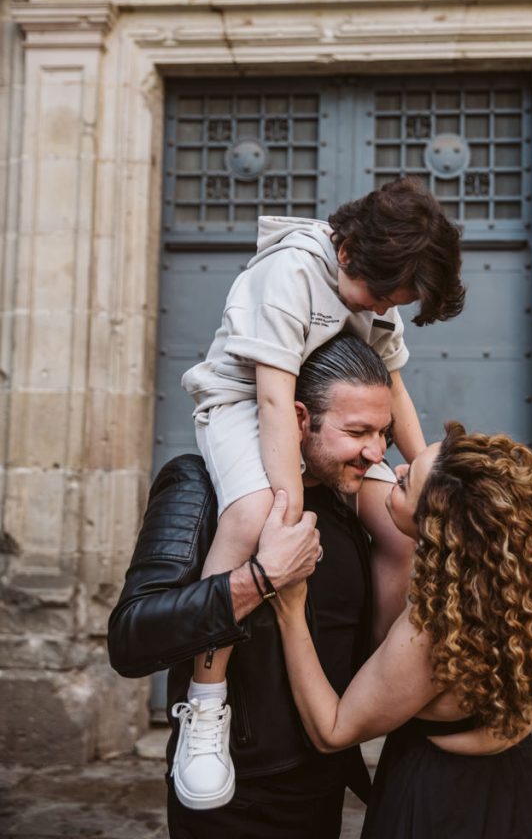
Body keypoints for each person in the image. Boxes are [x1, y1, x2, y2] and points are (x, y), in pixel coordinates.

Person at [176, 176, 465, 807]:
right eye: (382, 294)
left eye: (397, 300)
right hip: (242, 403)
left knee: (397, 524)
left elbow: (395, 389)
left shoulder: (378, 291)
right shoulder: (288, 273)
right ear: (348, 251)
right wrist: (288, 506)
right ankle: (204, 703)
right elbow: (275, 397)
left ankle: (371, 678)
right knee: (255, 515)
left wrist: (433, 482)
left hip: (317, 410)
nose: (385, 307)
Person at [109, 334, 421, 839]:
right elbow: (132, 639)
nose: (376, 451)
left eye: (384, 431)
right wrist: (258, 579)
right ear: (299, 419)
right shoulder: (201, 487)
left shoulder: (355, 500)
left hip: (323, 786)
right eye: (358, 431)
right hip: (232, 796)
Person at [273, 421, 532, 839]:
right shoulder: (519, 593)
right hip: (516, 785)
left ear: (438, 530)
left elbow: (333, 731)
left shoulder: (434, 631)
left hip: (441, 803)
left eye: (405, 484)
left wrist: (290, 608)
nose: (395, 471)